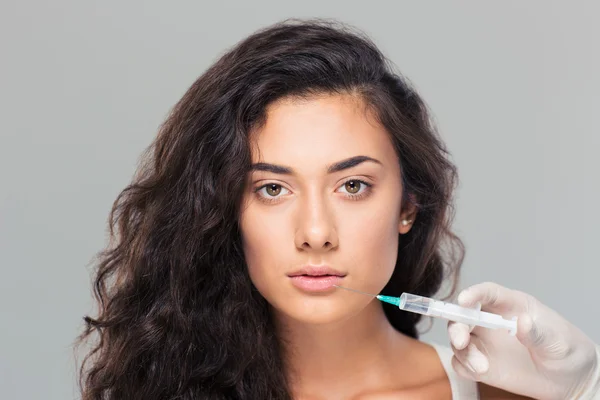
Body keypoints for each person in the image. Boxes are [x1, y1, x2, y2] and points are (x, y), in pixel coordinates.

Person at [77, 19, 599, 399]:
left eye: (352, 185)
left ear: (407, 206)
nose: (316, 232)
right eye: (273, 190)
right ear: (226, 212)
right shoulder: (162, 391)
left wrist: (586, 389)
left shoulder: (498, 395)